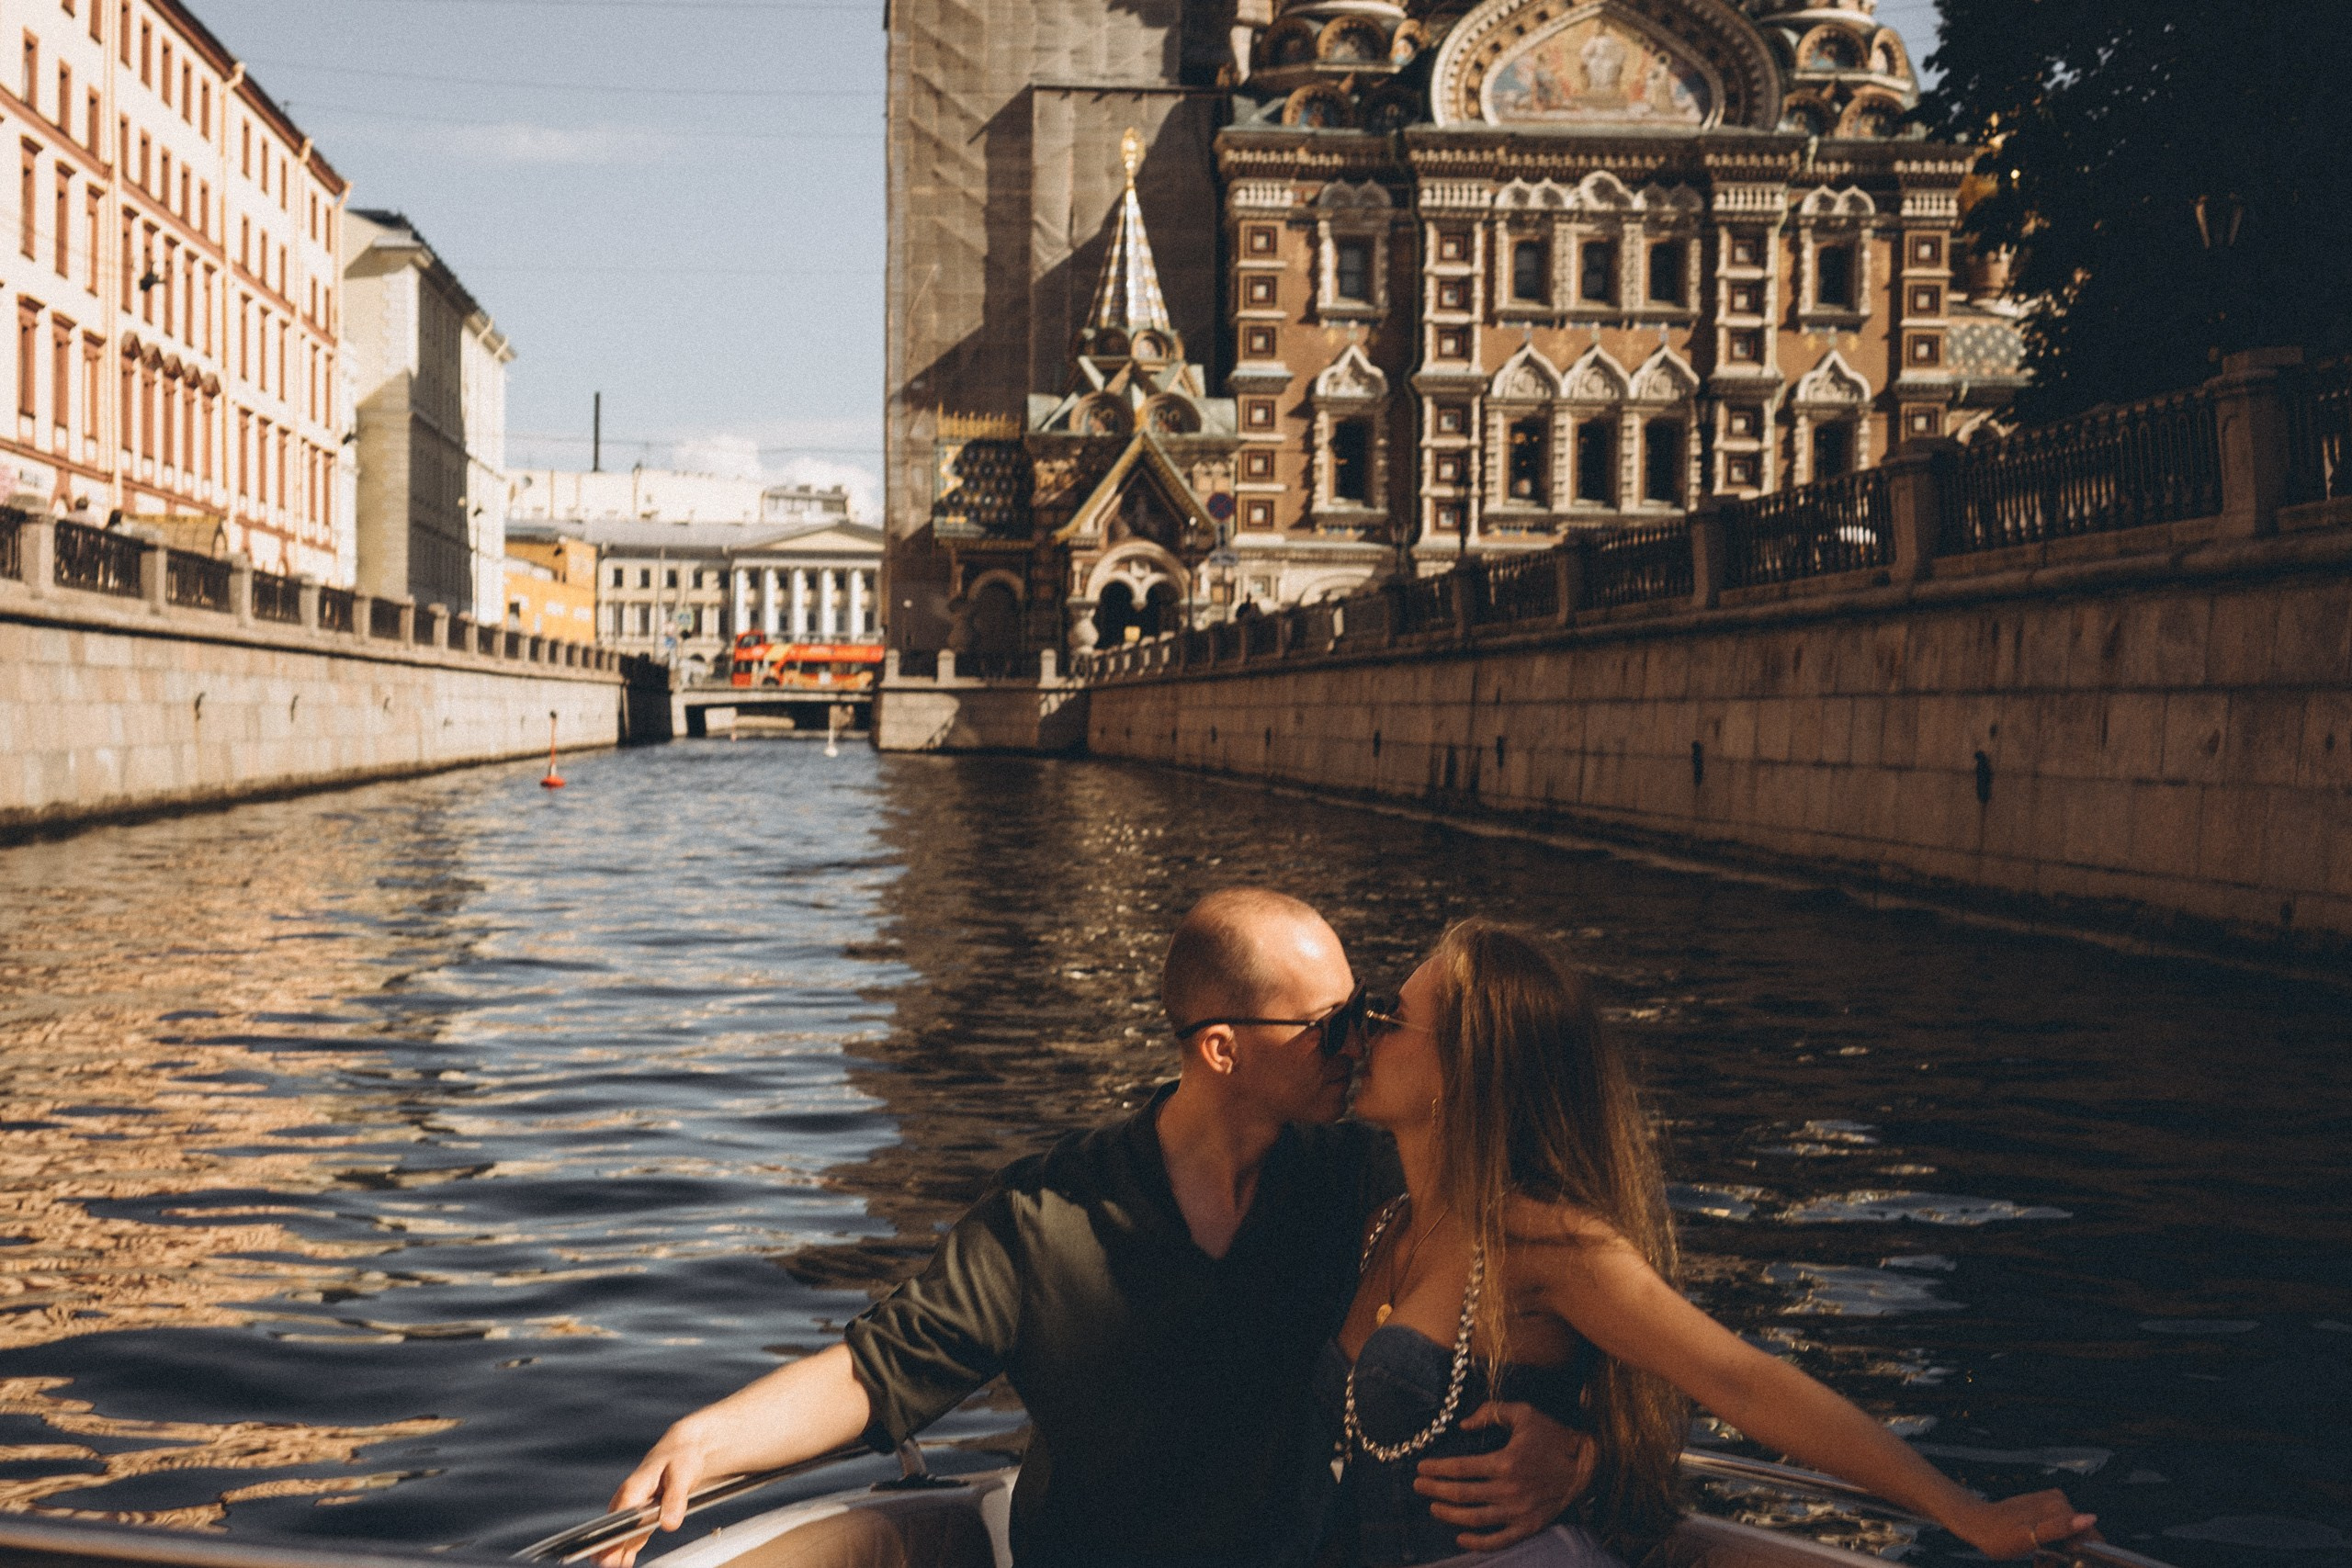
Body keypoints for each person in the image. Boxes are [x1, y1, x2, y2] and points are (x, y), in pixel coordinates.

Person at [601, 890, 1593, 1568]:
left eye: (1367, 1014)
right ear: (1220, 1049)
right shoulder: (1048, 1216)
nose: (1359, 1044)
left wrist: (1580, 1452)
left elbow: (1550, 1293)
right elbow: (876, 1374)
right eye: (1331, 1025)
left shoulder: (1366, 1181)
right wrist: (709, 1436)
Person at [1325, 919, 2100, 1567]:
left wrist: (1966, 1512)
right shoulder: (1382, 1224)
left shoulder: (1538, 1239)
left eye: (1389, 1017)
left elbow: (1743, 1380)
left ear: (1471, 1066)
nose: (1362, 1035)